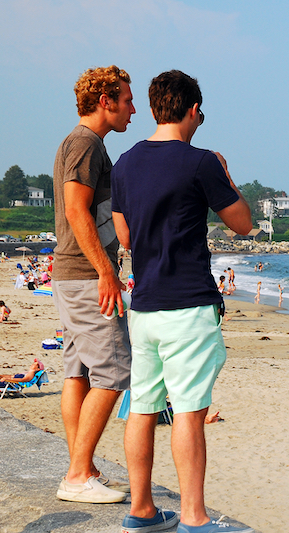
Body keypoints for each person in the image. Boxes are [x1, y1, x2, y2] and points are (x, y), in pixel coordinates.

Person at [111, 70, 253, 533]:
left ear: (153, 109)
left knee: (144, 407)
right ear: (194, 110)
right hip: (188, 303)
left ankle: (142, 509)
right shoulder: (201, 162)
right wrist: (226, 174)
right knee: (190, 410)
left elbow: (126, 235)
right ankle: (193, 516)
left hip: (145, 304)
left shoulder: (125, 163)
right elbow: (243, 224)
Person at [51, 65, 134, 505]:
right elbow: (77, 211)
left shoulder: (81, 142)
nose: (133, 109)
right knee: (115, 371)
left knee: (77, 371)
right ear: (106, 101)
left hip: (71, 274)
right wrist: (107, 272)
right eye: (126, 100)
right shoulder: (85, 143)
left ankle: (83, 468)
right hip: (86, 276)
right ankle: (78, 473)